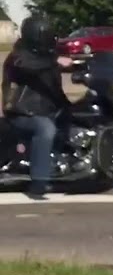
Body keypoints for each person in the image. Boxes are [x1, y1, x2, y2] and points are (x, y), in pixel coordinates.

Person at [1, 15, 74, 199]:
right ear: (38, 36)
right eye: (47, 35)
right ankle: (39, 181)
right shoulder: (18, 56)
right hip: (21, 112)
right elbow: (30, 66)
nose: (51, 39)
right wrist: (55, 62)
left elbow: (57, 65)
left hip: (49, 108)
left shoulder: (47, 55)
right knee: (45, 129)